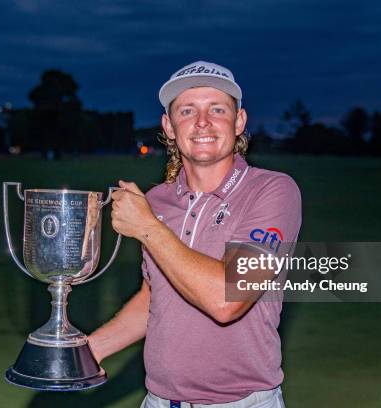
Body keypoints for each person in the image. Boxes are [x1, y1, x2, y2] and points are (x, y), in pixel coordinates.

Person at [89, 61, 301, 407]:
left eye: (217, 109)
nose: (202, 122)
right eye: (187, 111)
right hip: (159, 401)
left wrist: (147, 228)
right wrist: (88, 350)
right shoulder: (157, 201)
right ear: (169, 127)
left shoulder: (273, 191)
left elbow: (228, 300)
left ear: (239, 121)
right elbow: (154, 298)